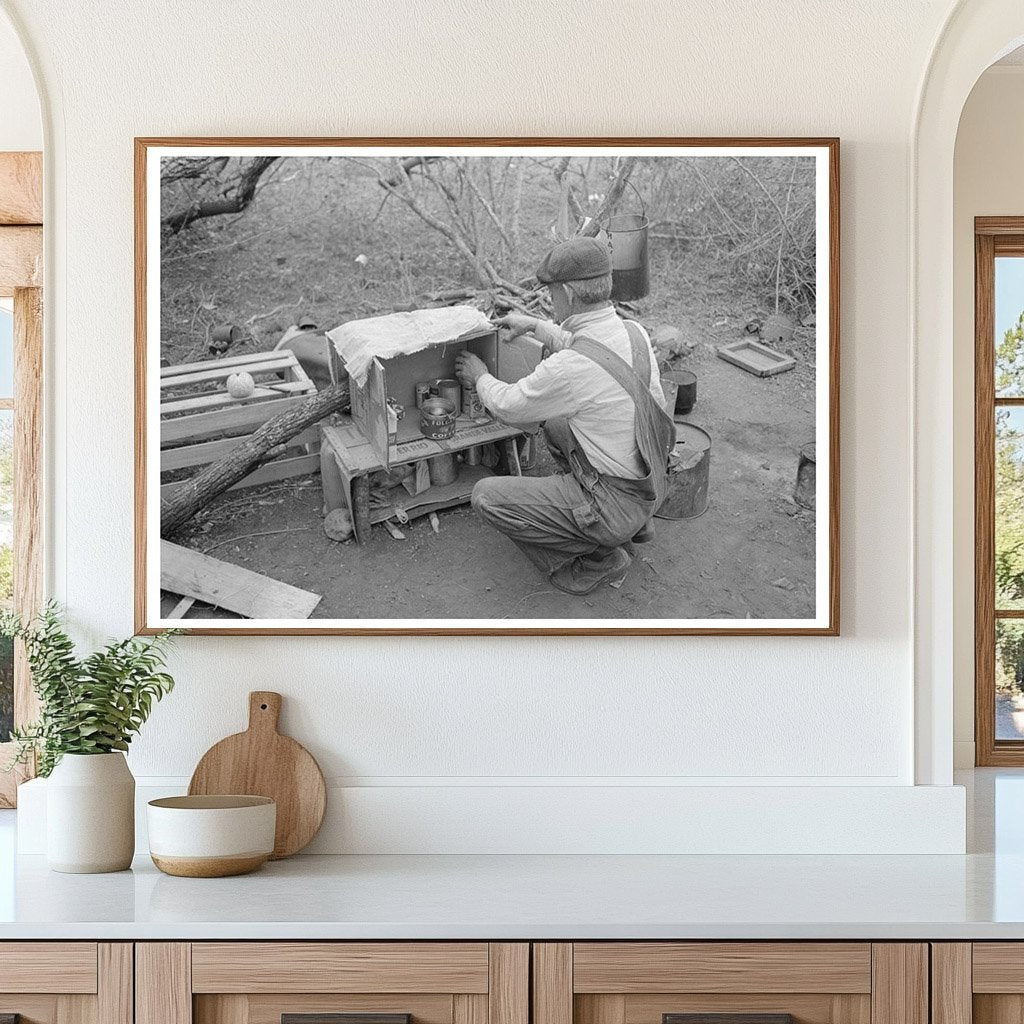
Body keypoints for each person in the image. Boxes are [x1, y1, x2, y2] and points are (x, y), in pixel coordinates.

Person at [454, 236, 674, 596]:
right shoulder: (634, 333)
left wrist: (479, 376)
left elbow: (509, 404)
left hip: (611, 503)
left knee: (486, 497)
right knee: (558, 424)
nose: (552, 299)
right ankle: (638, 524)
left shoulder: (570, 369)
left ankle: (597, 558)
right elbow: (588, 348)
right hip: (649, 484)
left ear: (569, 293)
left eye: (553, 292)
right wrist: (534, 325)